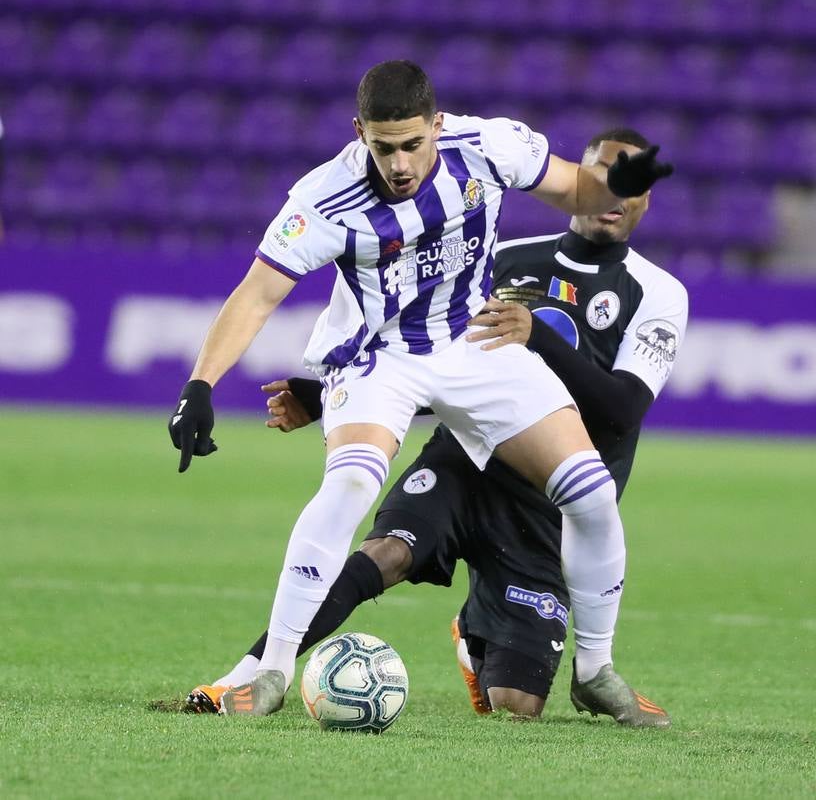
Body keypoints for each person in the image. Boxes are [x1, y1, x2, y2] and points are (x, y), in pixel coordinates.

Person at [168, 62, 673, 716]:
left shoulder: (490, 148)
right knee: (349, 485)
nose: (400, 163)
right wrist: (200, 384)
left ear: (437, 126)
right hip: (379, 356)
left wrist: (615, 182)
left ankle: (596, 668)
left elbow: (574, 190)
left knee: (591, 492)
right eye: (384, 148)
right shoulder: (323, 199)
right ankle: (269, 674)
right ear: (360, 134)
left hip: (473, 341)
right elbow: (257, 294)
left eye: (412, 144)